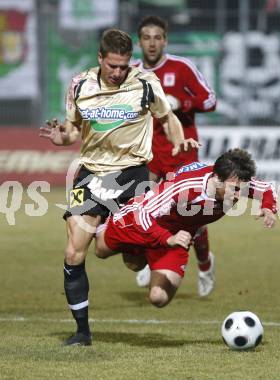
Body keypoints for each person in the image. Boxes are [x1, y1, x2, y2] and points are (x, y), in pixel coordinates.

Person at [39, 28, 199, 346]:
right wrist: (61, 138)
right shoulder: (80, 84)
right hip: (91, 176)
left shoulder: (144, 83)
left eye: (124, 65)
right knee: (73, 251)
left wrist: (180, 142)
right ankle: (82, 332)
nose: (118, 72)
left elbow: (168, 118)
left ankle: (123, 242)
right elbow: (72, 131)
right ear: (100, 58)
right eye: (112, 65)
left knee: (133, 261)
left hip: (132, 175)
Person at [96, 149, 277, 309]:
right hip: (140, 222)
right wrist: (166, 238)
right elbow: (142, 212)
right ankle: (106, 215)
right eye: (235, 190)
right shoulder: (185, 187)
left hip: (178, 236)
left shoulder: (235, 180)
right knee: (101, 251)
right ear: (217, 179)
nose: (239, 196)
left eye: (242, 190)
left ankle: (144, 257)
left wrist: (269, 206)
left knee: (158, 298)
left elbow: (266, 188)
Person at [132, 16, 217, 296]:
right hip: (149, 153)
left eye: (158, 37)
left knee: (192, 216)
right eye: (147, 37)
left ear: (165, 40)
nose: (152, 43)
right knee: (144, 207)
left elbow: (210, 100)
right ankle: (150, 258)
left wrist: (183, 102)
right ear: (139, 41)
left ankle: (204, 263)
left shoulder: (182, 68)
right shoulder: (133, 73)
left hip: (183, 151)